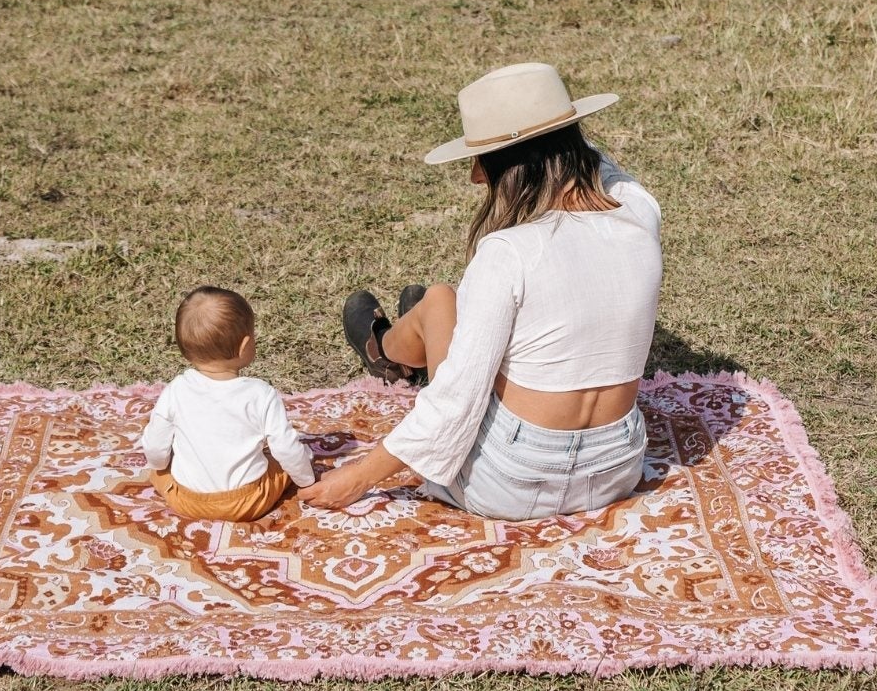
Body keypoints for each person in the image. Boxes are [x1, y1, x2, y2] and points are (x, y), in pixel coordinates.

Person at [299, 62, 661, 520]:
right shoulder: (639, 211)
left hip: (512, 483)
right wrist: (553, 126)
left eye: (481, 161)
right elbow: (591, 158)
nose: (475, 176)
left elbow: (457, 399)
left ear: (512, 166)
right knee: (455, 312)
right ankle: (413, 339)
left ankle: (387, 352)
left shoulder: (508, 252)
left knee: (439, 300)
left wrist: (359, 477)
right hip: (617, 471)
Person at [141, 286, 315, 521]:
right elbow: (285, 448)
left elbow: (155, 447)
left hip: (187, 501)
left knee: (158, 471)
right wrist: (307, 480)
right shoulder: (261, 394)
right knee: (287, 461)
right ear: (244, 346)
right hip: (248, 502)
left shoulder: (176, 390)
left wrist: (159, 465)